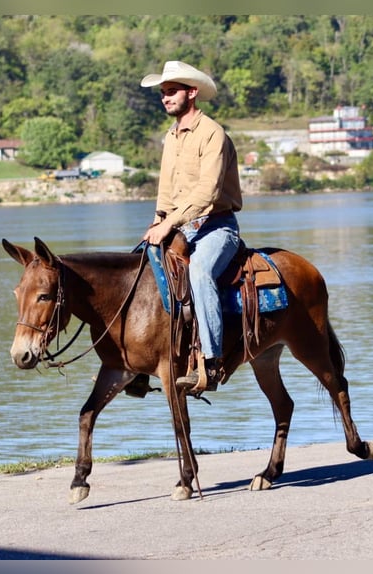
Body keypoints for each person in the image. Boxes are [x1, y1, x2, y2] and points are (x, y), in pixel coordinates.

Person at [140, 60, 243, 391]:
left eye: (172, 92)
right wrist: (157, 223)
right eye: (163, 93)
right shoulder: (171, 136)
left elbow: (207, 193)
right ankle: (140, 363)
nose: (166, 98)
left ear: (192, 93)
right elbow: (166, 189)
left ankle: (211, 364)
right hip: (179, 226)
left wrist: (169, 222)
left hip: (217, 226)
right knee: (142, 271)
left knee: (199, 271)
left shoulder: (213, 134)